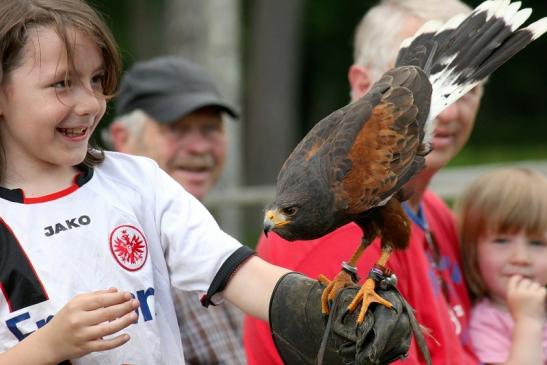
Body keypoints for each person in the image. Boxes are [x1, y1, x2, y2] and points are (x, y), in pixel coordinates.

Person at [0, 0, 410, 364]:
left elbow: (232, 270)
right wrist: (48, 347)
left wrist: (320, 314)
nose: (90, 103)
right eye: (61, 84)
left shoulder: (137, 181)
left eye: (96, 80)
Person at [243, 0, 483, 364]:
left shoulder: (433, 212)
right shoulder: (325, 234)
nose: (449, 112)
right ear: (361, 83)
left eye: (471, 92)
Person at [104, 56, 246, 365]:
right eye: (177, 129)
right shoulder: (118, 256)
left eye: (210, 128)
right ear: (122, 138)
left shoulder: (214, 237)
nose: (198, 147)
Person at [456, 168, 547, 365]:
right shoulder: (486, 321)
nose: (521, 258)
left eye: (538, 243)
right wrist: (528, 321)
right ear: (472, 250)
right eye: (502, 241)